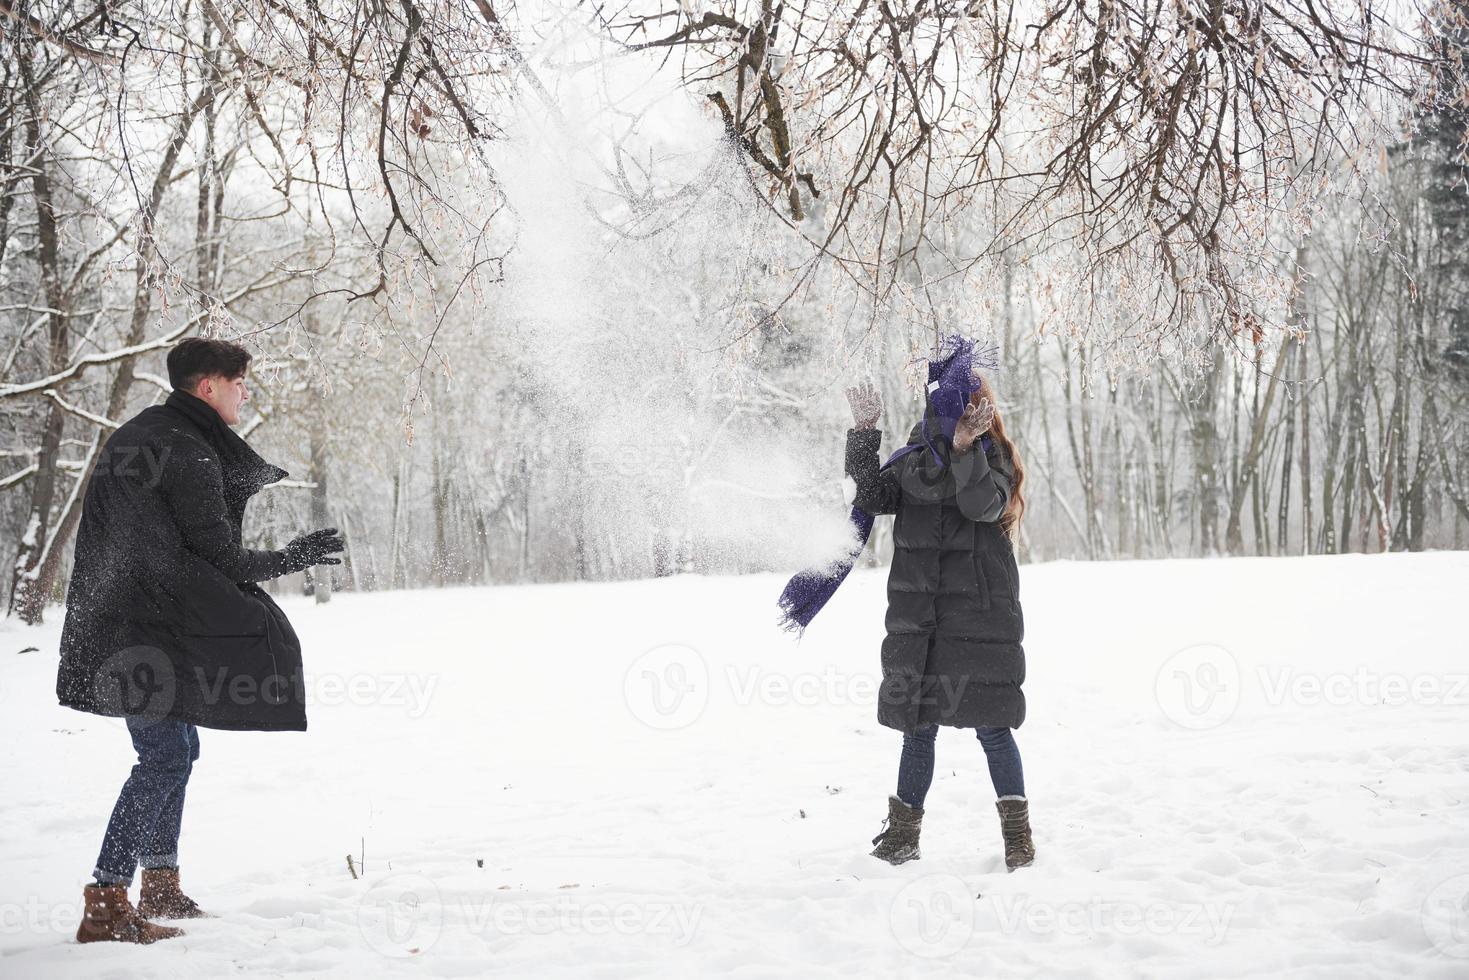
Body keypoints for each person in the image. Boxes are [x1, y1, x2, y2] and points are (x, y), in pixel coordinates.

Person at [56, 337, 345, 944]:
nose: (247, 392)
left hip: (123, 619)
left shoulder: (145, 432)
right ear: (207, 385)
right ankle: (106, 900)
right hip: (140, 628)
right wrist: (293, 556)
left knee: (178, 749)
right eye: (240, 381)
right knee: (163, 756)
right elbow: (219, 556)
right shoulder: (185, 449)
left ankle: (159, 883)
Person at [844, 338, 1033, 871]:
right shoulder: (912, 460)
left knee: (993, 728)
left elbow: (981, 504)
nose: (950, 414)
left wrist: (967, 449)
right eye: (942, 403)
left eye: (961, 403)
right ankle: (903, 837)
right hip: (922, 623)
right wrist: (863, 434)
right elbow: (870, 497)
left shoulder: (990, 457)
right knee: (918, 729)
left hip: (980, 618)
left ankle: (1017, 838)